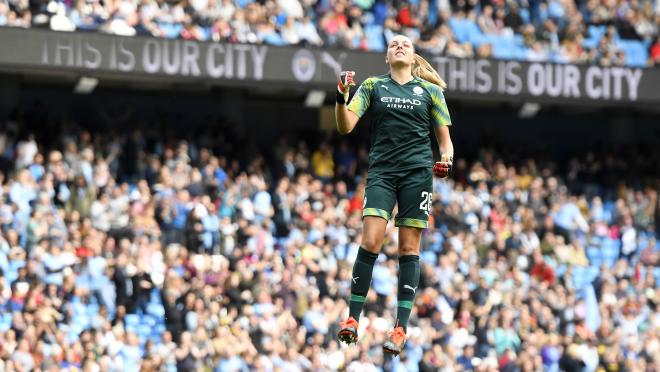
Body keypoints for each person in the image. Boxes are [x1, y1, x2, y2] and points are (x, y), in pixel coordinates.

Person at [334, 34, 454, 355]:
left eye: (405, 44)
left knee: (408, 247)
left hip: (417, 174)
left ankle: (400, 327)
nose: (398, 46)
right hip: (383, 173)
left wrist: (446, 159)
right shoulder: (373, 86)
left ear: (413, 56)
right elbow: (345, 125)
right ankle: (352, 319)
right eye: (392, 45)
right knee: (371, 240)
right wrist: (341, 96)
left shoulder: (431, 92)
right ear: (387, 57)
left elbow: (445, 140)